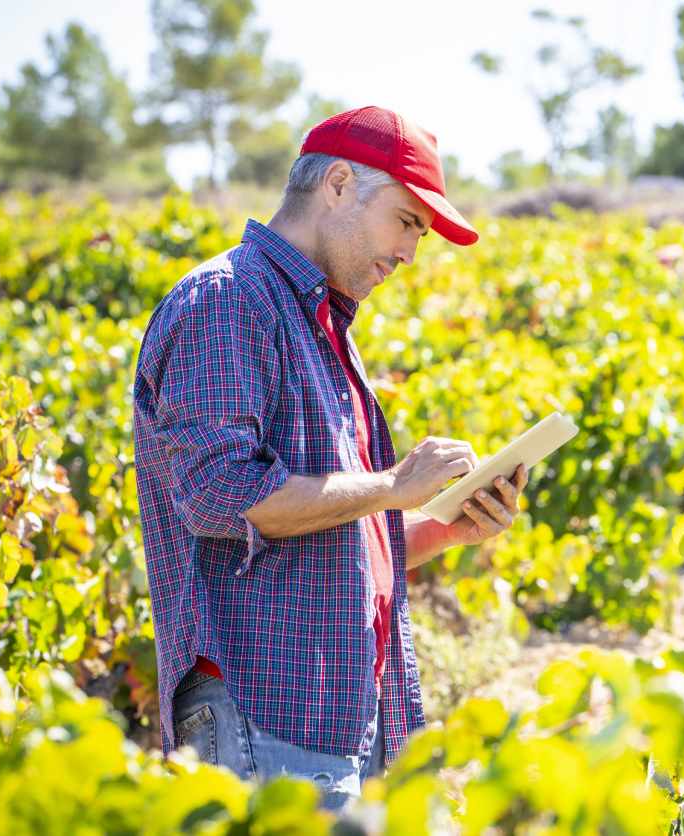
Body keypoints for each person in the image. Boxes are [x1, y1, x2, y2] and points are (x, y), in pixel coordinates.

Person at [133, 106, 529, 811]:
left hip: (330, 719)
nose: (412, 252)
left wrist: (445, 528)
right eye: (408, 221)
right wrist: (391, 484)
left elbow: (330, 544)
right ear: (340, 184)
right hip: (263, 721)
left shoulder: (320, 323)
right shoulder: (228, 303)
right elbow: (222, 495)